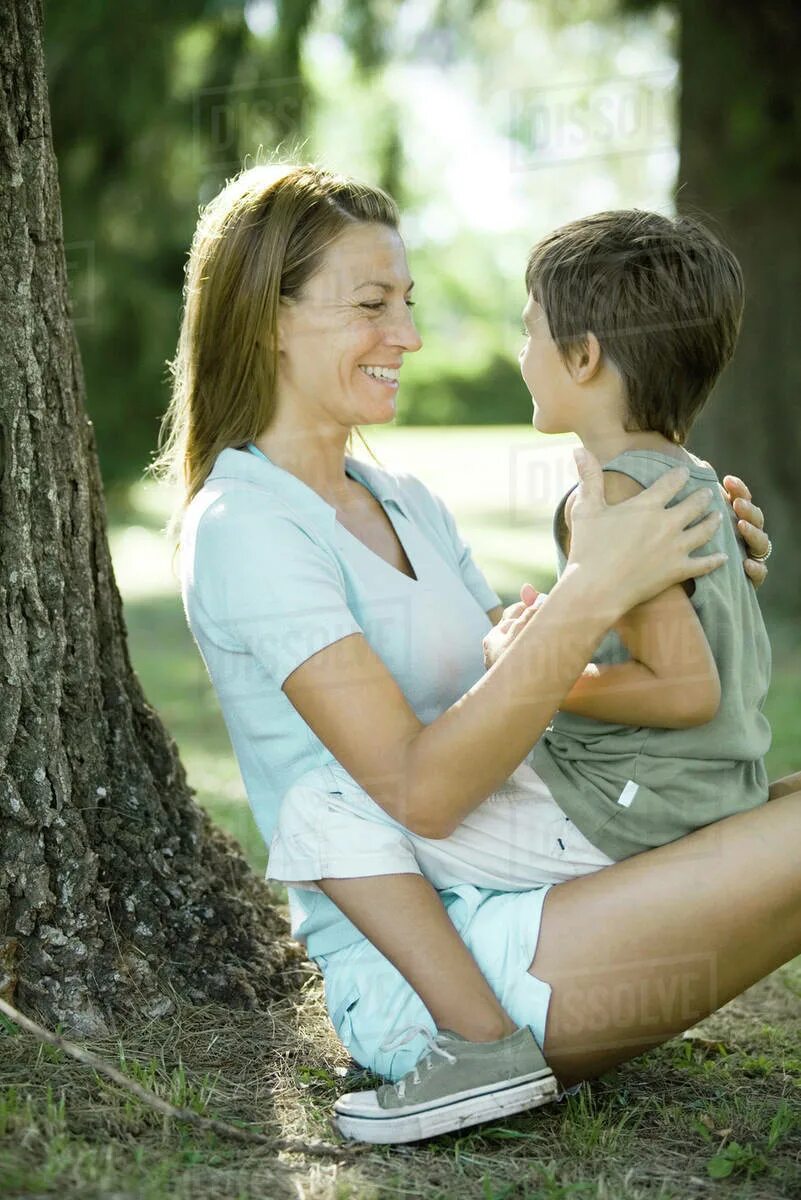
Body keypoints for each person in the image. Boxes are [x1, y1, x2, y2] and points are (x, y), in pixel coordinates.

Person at [152, 163, 788, 1148]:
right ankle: (477, 1047)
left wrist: (679, 574)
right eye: (373, 306)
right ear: (267, 318)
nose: (407, 335)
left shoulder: (407, 498)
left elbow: (525, 675)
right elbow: (423, 792)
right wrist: (596, 586)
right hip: (443, 960)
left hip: (544, 863)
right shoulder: (246, 526)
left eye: (405, 303)